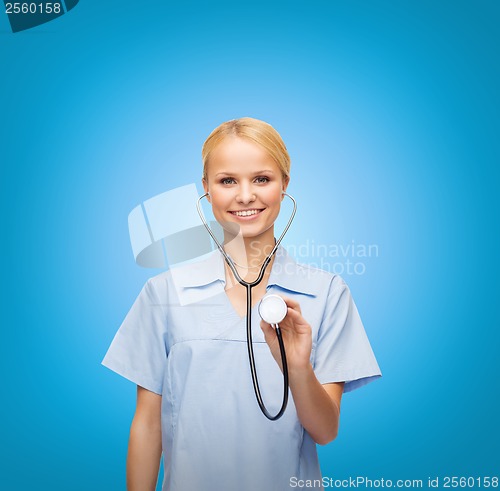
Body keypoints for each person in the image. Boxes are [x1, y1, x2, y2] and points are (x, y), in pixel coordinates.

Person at [102, 117, 382, 491]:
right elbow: (148, 424)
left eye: (262, 179)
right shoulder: (164, 292)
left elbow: (325, 430)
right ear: (206, 189)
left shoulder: (327, 292)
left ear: (285, 185)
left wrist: (297, 367)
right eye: (227, 180)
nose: (246, 195)